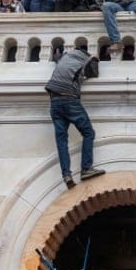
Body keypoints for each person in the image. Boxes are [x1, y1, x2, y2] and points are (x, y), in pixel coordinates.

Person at [45, 46, 104, 189]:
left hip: (54, 101)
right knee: (88, 133)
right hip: (69, 99)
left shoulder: (65, 57)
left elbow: (56, 57)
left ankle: (66, 174)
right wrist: (95, 59)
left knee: (61, 140)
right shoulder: (86, 58)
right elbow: (94, 73)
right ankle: (86, 169)